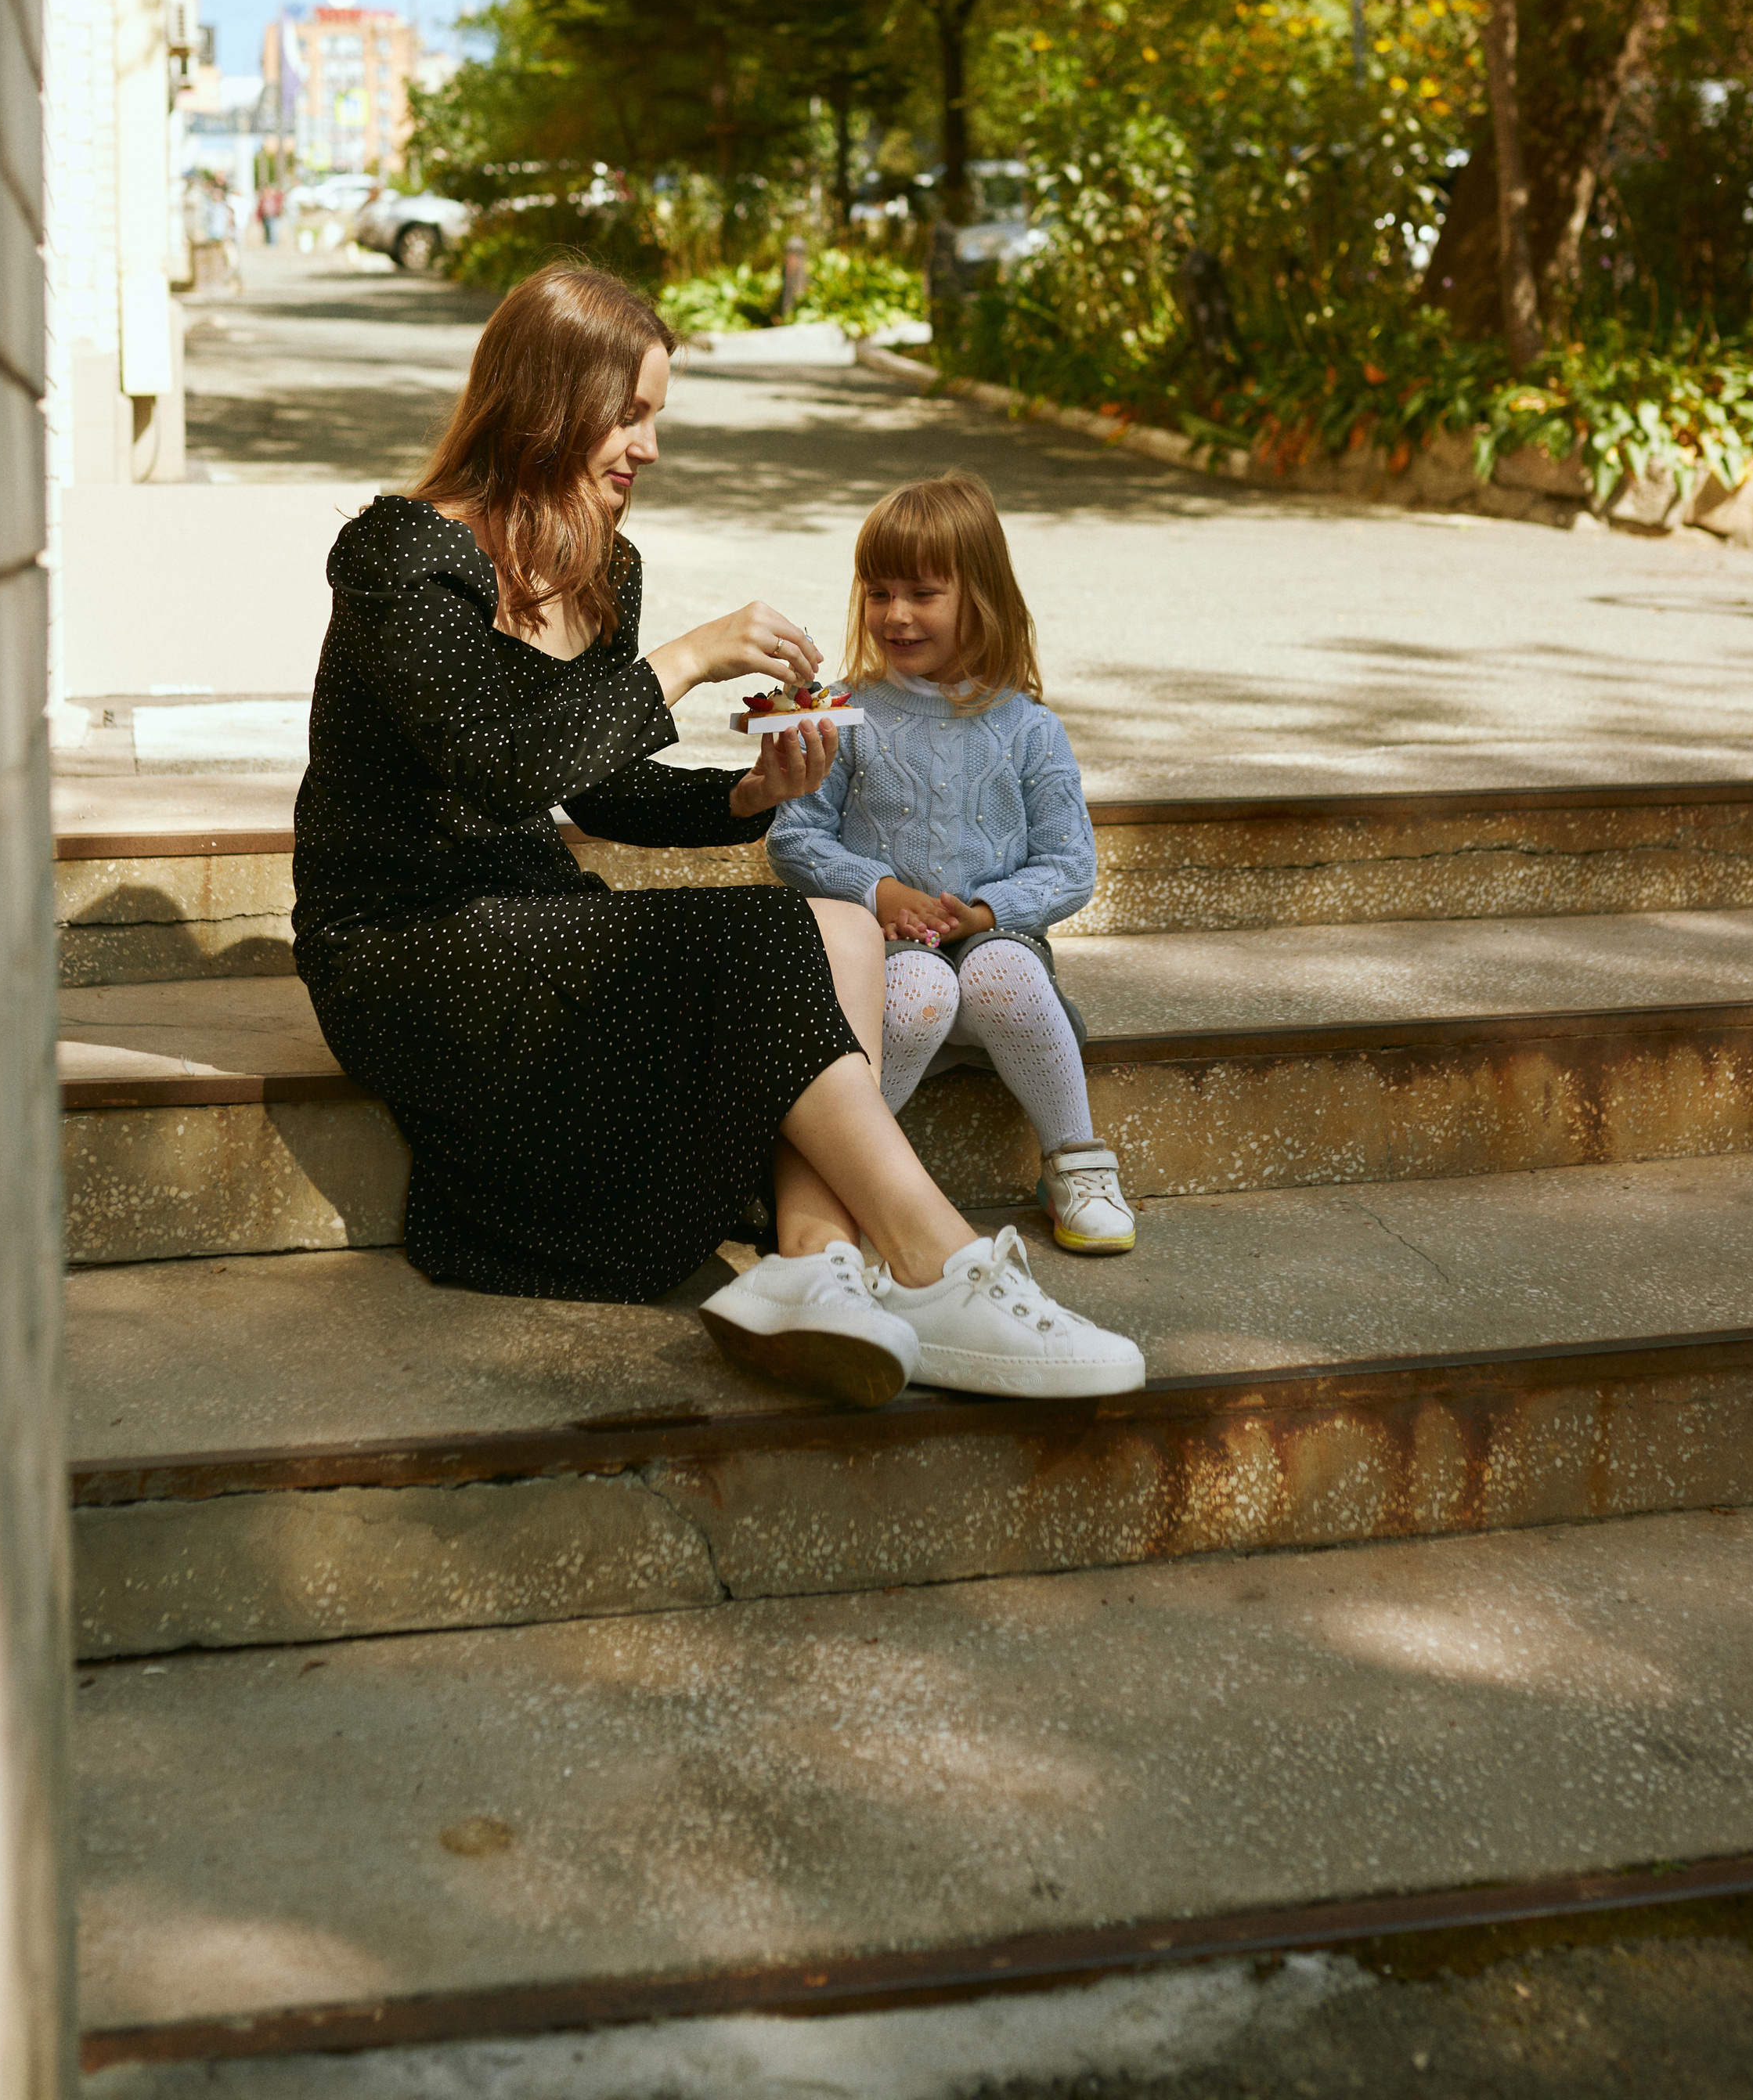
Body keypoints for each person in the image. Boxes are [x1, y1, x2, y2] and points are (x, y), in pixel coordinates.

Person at [291, 263, 1142, 1414]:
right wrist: (688, 658)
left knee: (840, 923)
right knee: (760, 943)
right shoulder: (403, 555)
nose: (646, 445)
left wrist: (747, 796)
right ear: (550, 398)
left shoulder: (603, 562)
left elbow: (600, 796)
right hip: (405, 939)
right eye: (628, 413)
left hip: (532, 913)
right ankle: (937, 1263)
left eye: (656, 418)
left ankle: (808, 1261)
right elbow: (498, 766)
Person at [766, 471, 1136, 1257]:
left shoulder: (1030, 729)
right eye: (878, 591)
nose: (895, 614)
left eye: (923, 592)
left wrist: (988, 913)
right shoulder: (843, 711)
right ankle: (852, 1176)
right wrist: (879, 890)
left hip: (1000, 966)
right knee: (924, 979)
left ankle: (1076, 1159)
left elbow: (1069, 867)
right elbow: (793, 839)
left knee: (995, 970)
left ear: (982, 597)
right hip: (896, 970)